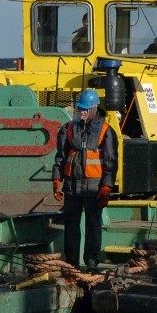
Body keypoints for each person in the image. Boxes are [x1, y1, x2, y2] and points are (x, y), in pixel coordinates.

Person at [52, 88, 118, 270]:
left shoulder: (106, 131)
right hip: (72, 187)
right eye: (80, 108)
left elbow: (111, 161)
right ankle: (71, 262)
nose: (82, 112)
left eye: (85, 109)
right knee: (71, 224)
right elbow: (61, 157)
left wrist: (107, 187)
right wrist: (57, 179)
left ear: (94, 108)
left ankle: (91, 261)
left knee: (93, 224)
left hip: (94, 188)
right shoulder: (69, 128)